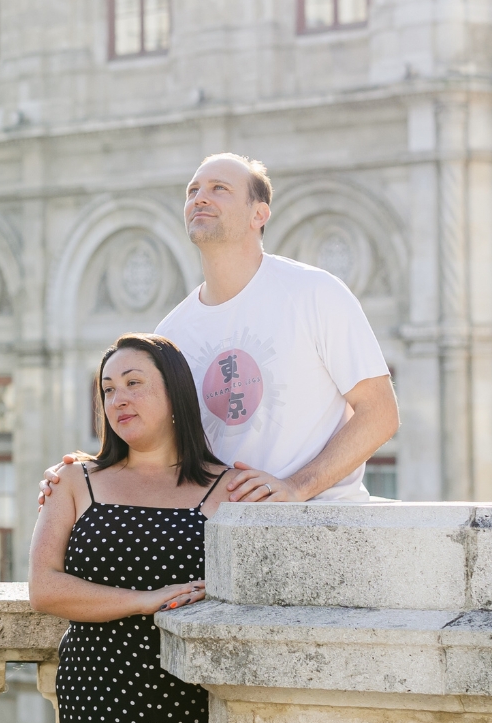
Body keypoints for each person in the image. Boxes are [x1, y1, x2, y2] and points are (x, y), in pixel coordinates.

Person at [43, 153, 398, 505]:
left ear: (258, 214)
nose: (199, 197)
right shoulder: (172, 331)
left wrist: (296, 487)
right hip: (214, 532)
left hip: (317, 524)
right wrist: (78, 474)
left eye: (219, 188)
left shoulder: (315, 293)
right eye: (192, 190)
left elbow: (380, 414)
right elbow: (157, 443)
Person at [30, 333, 228, 723]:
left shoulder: (228, 488)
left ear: (176, 396)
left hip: (198, 705)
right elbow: (45, 588)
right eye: (108, 387)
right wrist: (145, 601)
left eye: (135, 384)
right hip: (101, 702)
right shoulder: (76, 480)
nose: (118, 398)